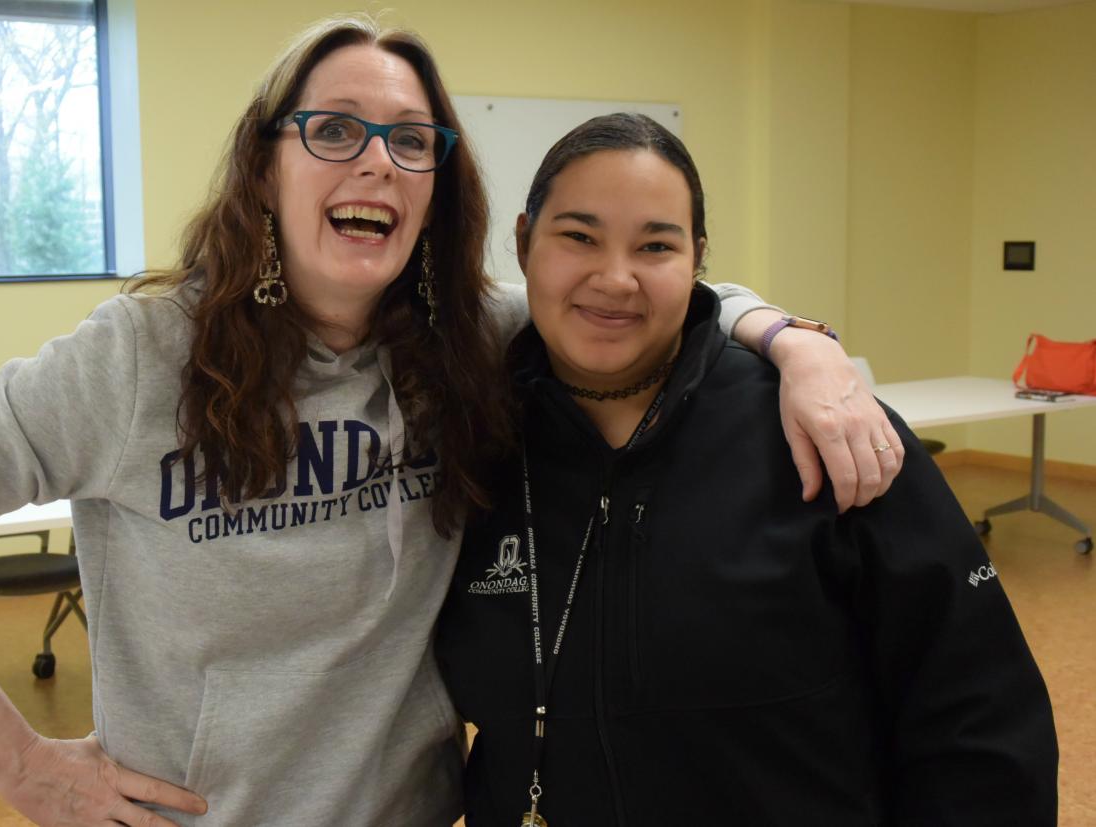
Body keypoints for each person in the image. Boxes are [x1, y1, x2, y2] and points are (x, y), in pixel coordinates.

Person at [0, 15, 901, 827]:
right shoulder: (134, 359)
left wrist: (799, 344)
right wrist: (21, 768)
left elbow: (649, 291)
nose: (376, 162)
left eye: (411, 141)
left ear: (436, 184)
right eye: (333, 130)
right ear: (264, 167)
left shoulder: (473, 338)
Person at [435, 112, 1058, 826]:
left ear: (697, 257)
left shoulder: (826, 431)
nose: (615, 278)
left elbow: (976, 715)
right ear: (523, 243)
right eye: (578, 236)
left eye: (656, 245)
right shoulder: (472, 439)